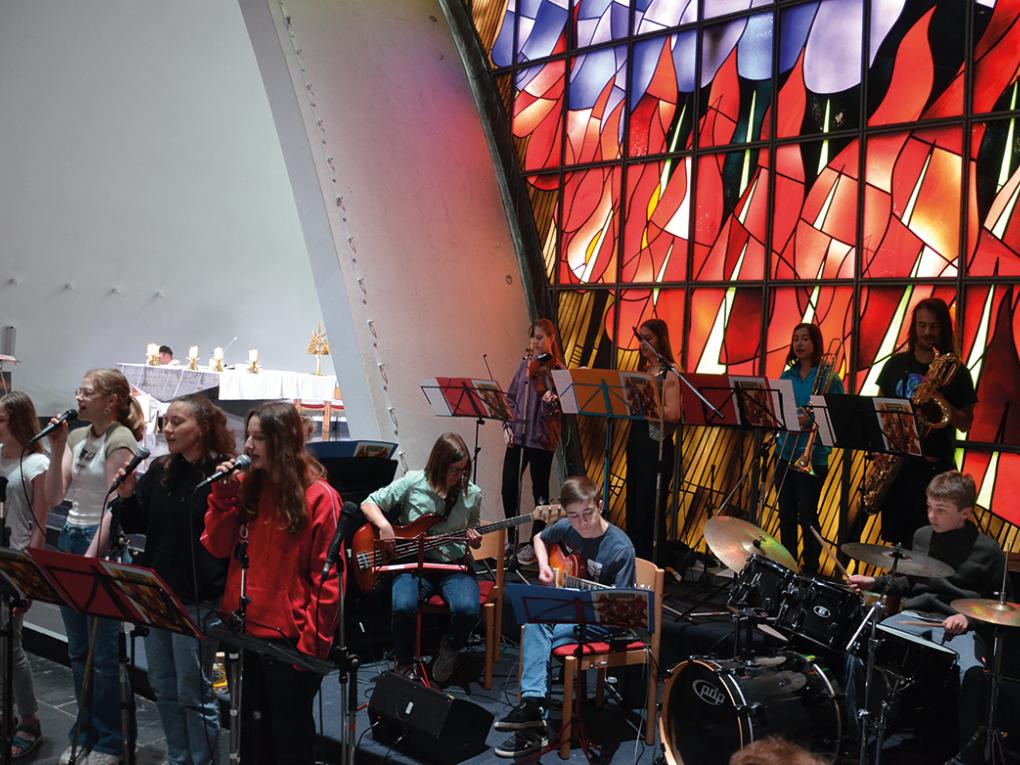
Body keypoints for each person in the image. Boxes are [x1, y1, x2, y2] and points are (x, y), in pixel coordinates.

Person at [201, 401, 341, 765]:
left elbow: (328, 580)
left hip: (289, 644)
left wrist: (311, 649)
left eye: (258, 438)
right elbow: (216, 546)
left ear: (284, 442)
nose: (247, 446)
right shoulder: (247, 486)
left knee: (289, 743)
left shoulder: (320, 496)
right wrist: (223, 496)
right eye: (247, 436)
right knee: (251, 741)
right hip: (244, 632)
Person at [110, 394, 234, 765]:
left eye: (177, 422)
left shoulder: (221, 474)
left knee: (194, 694)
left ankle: (202, 761)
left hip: (197, 598)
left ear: (204, 427)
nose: (167, 429)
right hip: (157, 594)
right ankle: (179, 757)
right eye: (165, 421)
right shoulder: (161, 469)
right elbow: (137, 525)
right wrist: (128, 495)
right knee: (164, 687)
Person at [847, 471, 1005, 755]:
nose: (932, 515)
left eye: (941, 510)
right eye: (929, 507)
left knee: (973, 674)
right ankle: (859, 736)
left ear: (965, 513)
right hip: (915, 618)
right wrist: (874, 582)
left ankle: (967, 756)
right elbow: (909, 581)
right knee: (859, 650)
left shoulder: (989, 551)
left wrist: (968, 618)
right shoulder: (921, 535)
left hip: (960, 627)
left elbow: (999, 607)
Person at [44, 368, 145, 765]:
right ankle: (83, 731)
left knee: (101, 653)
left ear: (111, 401)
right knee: (77, 647)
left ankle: (108, 740)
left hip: (97, 543)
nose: (79, 398)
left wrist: (92, 556)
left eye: (88, 393)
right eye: (78, 391)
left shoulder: (122, 438)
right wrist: (55, 449)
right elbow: (54, 496)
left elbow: (115, 505)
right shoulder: (76, 437)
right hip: (70, 534)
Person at [493, 475, 635, 758]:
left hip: (600, 625)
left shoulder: (621, 549)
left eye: (588, 514)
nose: (582, 523)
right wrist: (545, 567)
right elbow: (538, 538)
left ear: (600, 505)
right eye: (573, 516)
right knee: (535, 621)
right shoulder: (568, 529)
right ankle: (534, 711)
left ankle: (533, 720)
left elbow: (622, 612)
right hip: (570, 613)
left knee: (543, 635)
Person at [361, 432, 482, 683]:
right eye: (453, 470)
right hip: (414, 565)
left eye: (463, 470)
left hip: (453, 565)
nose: (459, 476)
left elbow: (474, 527)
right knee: (403, 606)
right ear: (438, 464)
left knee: (468, 609)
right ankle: (404, 663)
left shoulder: (472, 493)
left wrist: (476, 539)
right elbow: (369, 503)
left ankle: (450, 649)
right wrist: (385, 526)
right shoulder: (413, 481)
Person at [875, 297, 976, 545]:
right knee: (897, 544)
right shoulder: (895, 365)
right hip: (898, 468)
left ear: (943, 329)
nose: (927, 332)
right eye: (922, 326)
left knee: (928, 545)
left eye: (933, 326)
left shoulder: (957, 372)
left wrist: (942, 402)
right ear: (914, 328)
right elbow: (879, 411)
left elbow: (965, 424)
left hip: (933, 470)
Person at [0, 392, 51, 759]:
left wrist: (29, 575)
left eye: (1, 418)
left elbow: (40, 524)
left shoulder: (36, 463)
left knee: (11, 645)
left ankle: (29, 721)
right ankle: (7, 715)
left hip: (15, 559)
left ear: (18, 420)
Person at [774, 323, 844, 576]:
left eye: (805, 339)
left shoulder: (829, 377)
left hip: (812, 456)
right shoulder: (786, 376)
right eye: (795, 339)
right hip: (785, 451)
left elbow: (837, 418)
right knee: (786, 514)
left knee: (808, 517)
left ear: (815, 342)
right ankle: (788, 567)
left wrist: (812, 419)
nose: (799, 344)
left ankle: (811, 569)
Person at [501, 319, 563, 565]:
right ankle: (512, 539)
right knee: (509, 487)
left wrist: (550, 402)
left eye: (539, 338)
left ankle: (536, 542)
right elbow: (511, 399)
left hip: (541, 438)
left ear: (551, 339)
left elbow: (558, 412)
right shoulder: (525, 366)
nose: (535, 342)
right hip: (518, 436)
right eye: (532, 338)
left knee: (540, 492)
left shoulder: (557, 370)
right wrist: (506, 426)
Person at [626, 318, 681, 562]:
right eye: (641, 339)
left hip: (656, 446)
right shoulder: (643, 372)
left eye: (649, 338)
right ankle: (635, 561)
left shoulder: (670, 372)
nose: (643, 343)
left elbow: (673, 414)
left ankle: (653, 564)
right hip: (637, 442)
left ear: (661, 341)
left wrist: (649, 404)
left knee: (651, 507)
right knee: (635, 504)